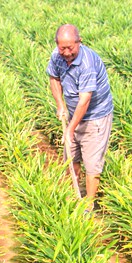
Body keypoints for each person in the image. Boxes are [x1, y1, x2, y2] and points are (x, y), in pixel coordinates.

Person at [46, 24, 113, 211]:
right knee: (71, 156)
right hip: (75, 113)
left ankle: (88, 205)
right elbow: (53, 77)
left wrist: (70, 128)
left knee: (92, 163)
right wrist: (60, 105)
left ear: (79, 42)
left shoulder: (87, 64)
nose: (66, 52)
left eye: (70, 48)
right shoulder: (56, 56)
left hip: (95, 116)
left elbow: (85, 100)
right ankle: (74, 196)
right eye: (62, 48)